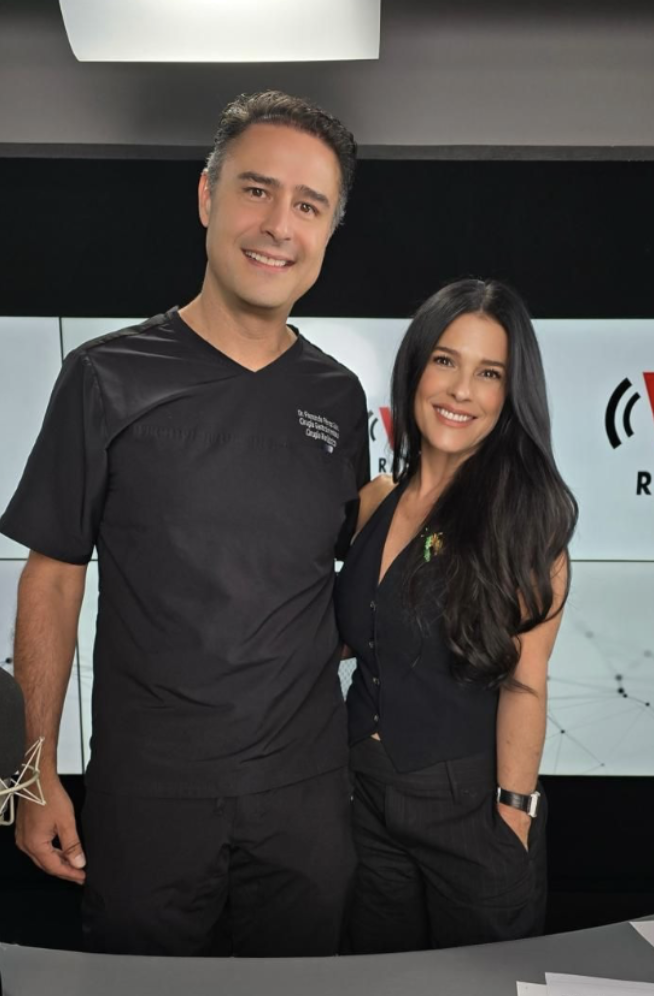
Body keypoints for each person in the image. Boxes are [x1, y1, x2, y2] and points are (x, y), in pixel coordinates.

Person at [0, 90, 370, 957]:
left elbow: (344, 581)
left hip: (306, 804)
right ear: (207, 198)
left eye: (309, 205)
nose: (280, 224)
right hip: (148, 805)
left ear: (327, 232)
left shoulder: (339, 398)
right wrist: (28, 776)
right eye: (256, 190)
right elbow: (51, 577)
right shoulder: (103, 379)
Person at [335, 278, 578, 953]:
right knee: (380, 981)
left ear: (511, 392)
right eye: (445, 360)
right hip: (365, 800)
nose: (461, 390)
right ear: (416, 366)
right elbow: (358, 637)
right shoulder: (376, 497)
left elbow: (525, 685)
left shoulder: (526, 523)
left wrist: (512, 818)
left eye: (489, 372)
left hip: (470, 811)